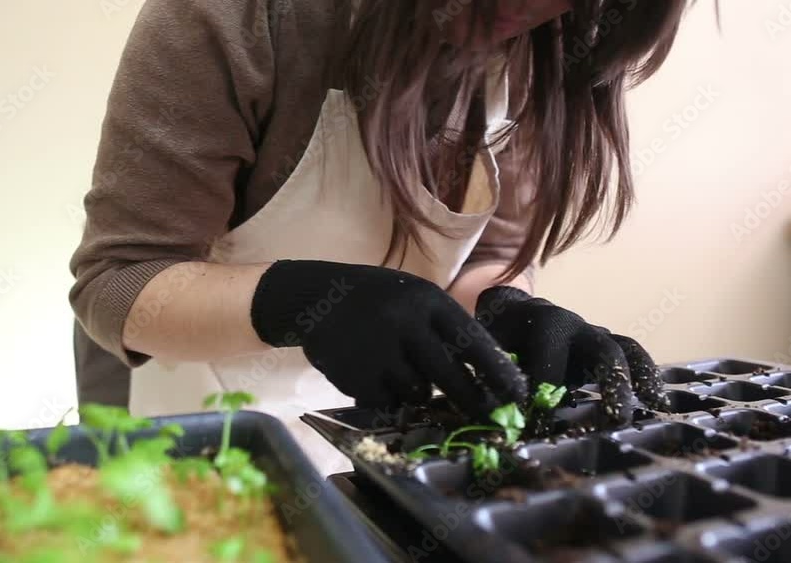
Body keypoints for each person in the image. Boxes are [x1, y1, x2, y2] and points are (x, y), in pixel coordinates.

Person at [69, 0, 688, 476]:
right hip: (193, 407)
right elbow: (119, 282)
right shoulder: (248, 18)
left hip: (371, 433)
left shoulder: (543, 43)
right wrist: (306, 303)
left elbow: (490, 256)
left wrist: (508, 308)